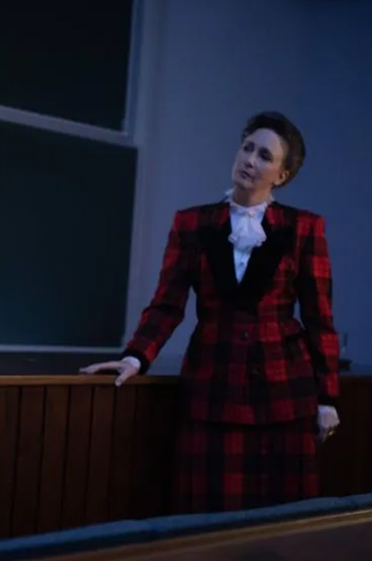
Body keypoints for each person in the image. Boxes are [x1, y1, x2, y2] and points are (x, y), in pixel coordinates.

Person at [81, 111, 341, 514]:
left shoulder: (304, 228)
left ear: (282, 175)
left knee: (282, 522)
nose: (249, 160)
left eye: (264, 156)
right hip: (213, 388)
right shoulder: (192, 223)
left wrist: (327, 398)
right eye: (247, 148)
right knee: (207, 518)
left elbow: (320, 319)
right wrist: (135, 357)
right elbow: (167, 304)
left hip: (284, 394)